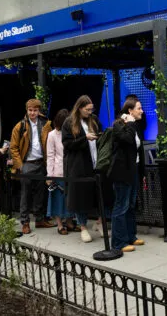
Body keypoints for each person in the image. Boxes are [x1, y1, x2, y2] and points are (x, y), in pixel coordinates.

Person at [9, 98, 54, 235]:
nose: (32, 113)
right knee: (25, 194)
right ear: (26, 110)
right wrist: (20, 165)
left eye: (35, 110)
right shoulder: (20, 126)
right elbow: (13, 147)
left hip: (41, 162)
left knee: (41, 192)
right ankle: (25, 221)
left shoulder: (46, 123)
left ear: (38, 110)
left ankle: (40, 219)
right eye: (30, 110)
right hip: (27, 163)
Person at [62, 95, 101, 243]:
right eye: (87, 109)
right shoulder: (69, 122)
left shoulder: (94, 119)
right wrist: (85, 139)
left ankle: (99, 223)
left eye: (92, 109)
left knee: (99, 195)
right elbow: (67, 143)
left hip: (95, 163)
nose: (90, 112)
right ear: (79, 108)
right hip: (78, 166)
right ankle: (83, 226)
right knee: (79, 197)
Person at [110, 98, 147, 253]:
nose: (142, 111)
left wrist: (142, 172)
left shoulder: (135, 125)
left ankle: (131, 236)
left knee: (131, 205)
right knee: (121, 205)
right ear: (130, 110)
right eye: (139, 108)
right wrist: (130, 123)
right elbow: (126, 139)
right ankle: (118, 242)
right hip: (122, 172)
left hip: (134, 170)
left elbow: (139, 150)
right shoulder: (119, 124)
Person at [46, 109, 71, 235]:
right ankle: (60, 224)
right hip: (58, 171)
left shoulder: (72, 132)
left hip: (71, 171)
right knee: (57, 198)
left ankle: (70, 221)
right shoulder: (52, 135)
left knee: (70, 198)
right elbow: (50, 155)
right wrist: (49, 175)